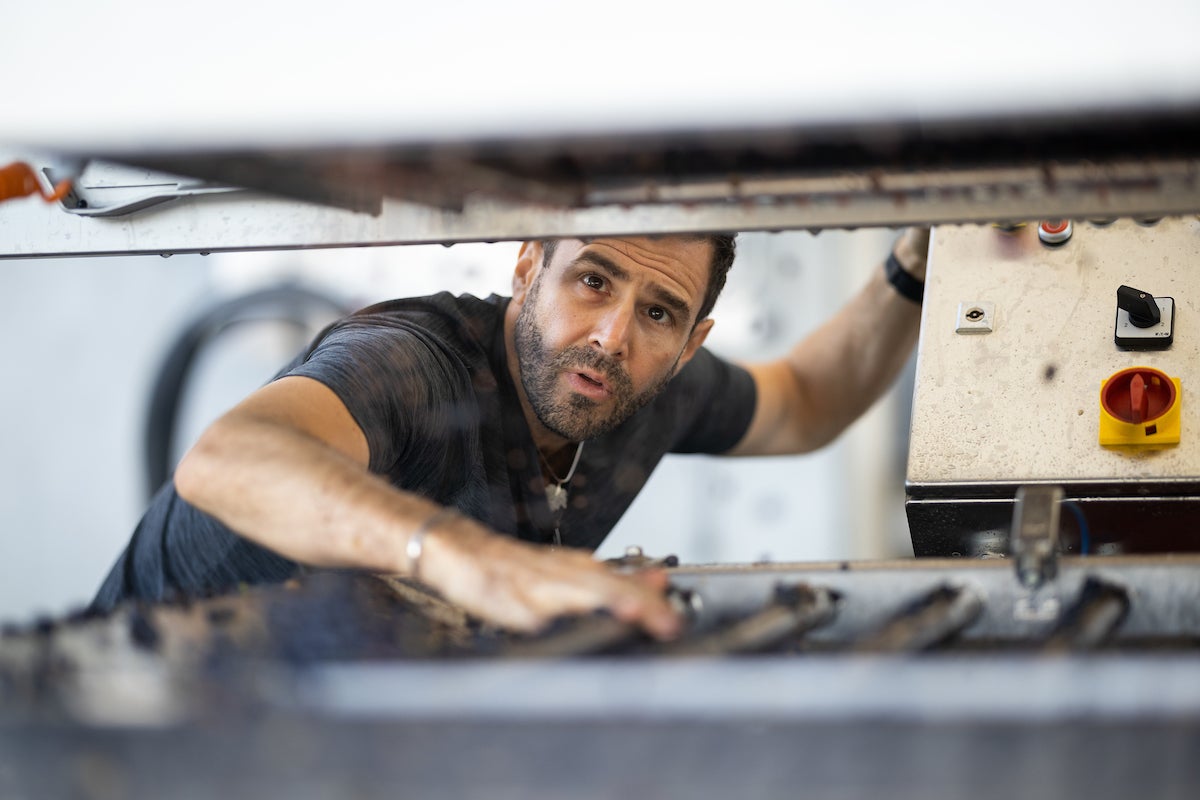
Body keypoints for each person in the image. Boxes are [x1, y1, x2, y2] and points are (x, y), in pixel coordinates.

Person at [92, 229, 929, 638]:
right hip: (142, 711)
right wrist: (467, 558)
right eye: (593, 279)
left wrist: (912, 267)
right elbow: (227, 459)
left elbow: (807, 401)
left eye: (659, 312)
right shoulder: (414, 362)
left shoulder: (645, 377)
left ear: (689, 343)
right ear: (528, 266)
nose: (611, 335)